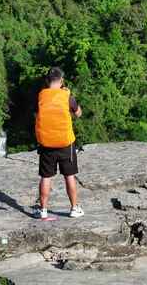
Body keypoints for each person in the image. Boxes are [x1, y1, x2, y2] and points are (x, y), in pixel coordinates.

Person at [34, 67, 84, 221]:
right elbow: (78, 113)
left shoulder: (41, 96)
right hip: (65, 143)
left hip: (46, 144)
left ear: (47, 80)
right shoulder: (67, 96)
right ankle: (74, 208)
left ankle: (43, 210)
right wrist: (68, 96)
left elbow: (36, 114)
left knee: (46, 177)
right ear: (61, 80)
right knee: (69, 176)